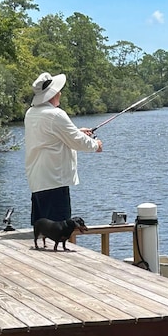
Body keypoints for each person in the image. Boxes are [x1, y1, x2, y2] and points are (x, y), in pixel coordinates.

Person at [24, 72, 103, 225]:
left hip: (37, 181)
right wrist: (96, 145)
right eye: (58, 90)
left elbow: (50, 137)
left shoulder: (31, 113)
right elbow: (77, 141)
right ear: (53, 94)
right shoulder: (56, 114)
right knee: (58, 230)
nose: (60, 93)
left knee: (41, 229)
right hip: (55, 181)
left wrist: (77, 131)